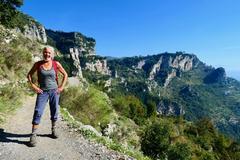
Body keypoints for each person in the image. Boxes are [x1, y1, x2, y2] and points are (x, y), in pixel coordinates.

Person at [27, 46, 68, 147]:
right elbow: (29, 75)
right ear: (43, 53)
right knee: (38, 111)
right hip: (42, 92)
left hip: (54, 91)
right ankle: (33, 134)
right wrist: (34, 87)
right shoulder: (38, 64)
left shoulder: (56, 64)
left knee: (54, 110)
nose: (47, 54)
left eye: (49, 53)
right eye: (45, 52)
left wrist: (61, 87)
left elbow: (65, 75)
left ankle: (54, 130)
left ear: (52, 54)